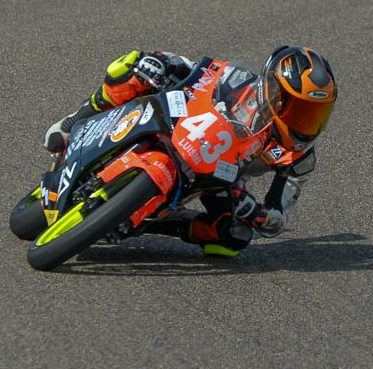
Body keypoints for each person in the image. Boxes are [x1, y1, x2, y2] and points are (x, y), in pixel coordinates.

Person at [43, 46, 337, 257]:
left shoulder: (299, 157)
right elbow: (196, 69)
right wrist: (162, 64)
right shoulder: (239, 82)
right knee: (133, 65)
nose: (307, 123)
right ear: (273, 91)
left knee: (232, 237)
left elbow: (277, 221)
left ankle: (148, 224)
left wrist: (255, 211)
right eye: (299, 109)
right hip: (186, 124)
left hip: (223, 178)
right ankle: (76, 121)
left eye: (315, 114)